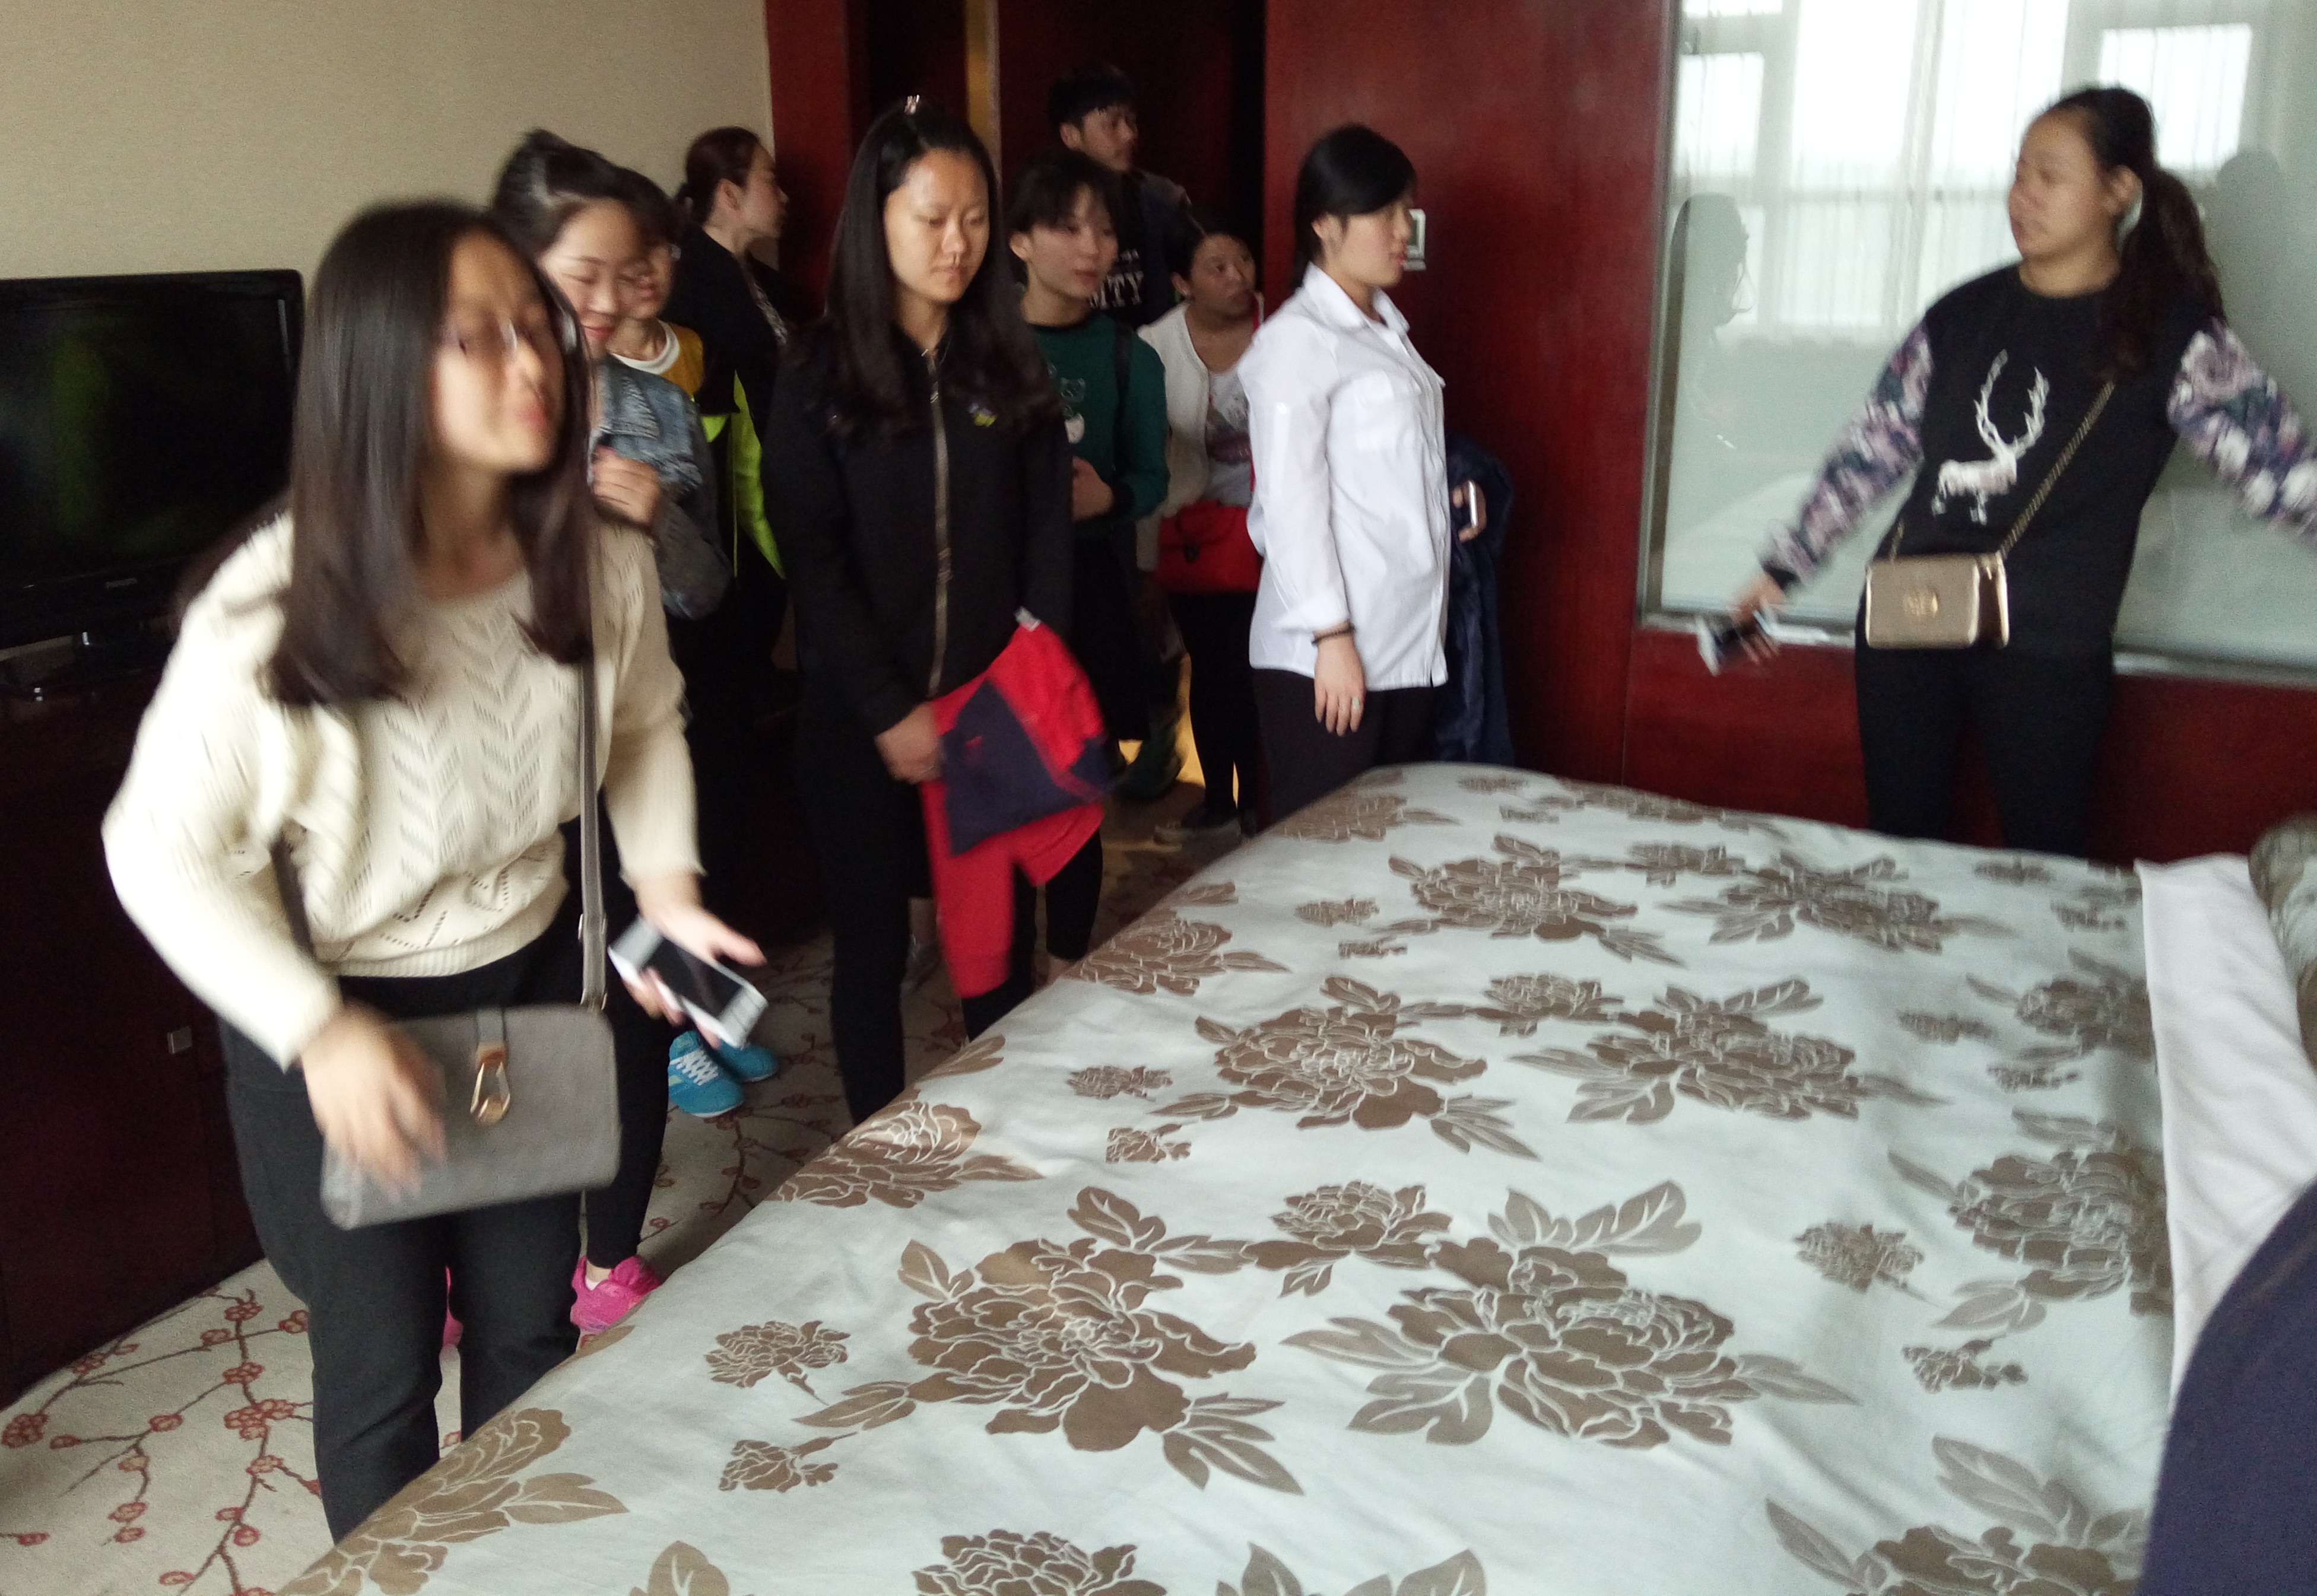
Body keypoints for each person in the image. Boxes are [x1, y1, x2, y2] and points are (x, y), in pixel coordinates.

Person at [100, 202, 760, 1538]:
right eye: (476, 339)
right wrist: (317, 1030)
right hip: (342, 1017)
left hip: (525, 985)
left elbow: (642, 725)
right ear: (381, 374)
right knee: (381, 1374)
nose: (534, 363)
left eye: (535, 327)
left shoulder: (595, 553)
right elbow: (157, 849)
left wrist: (667, 887)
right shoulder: (272, 604)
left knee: (528, 1332)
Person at [1729, 87, 2317, 858]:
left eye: (2050, 175)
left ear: (2118, 191)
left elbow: (2284, 474)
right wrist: (1783, 567)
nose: (2023, 195)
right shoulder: (1961, 315)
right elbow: (1870, 451)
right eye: (2018, 173)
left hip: (2047, 647)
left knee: (2044, 859)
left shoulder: (2172, 335)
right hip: (1909, 620)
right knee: (1897, 852)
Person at [490, 131, 772, 1340]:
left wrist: (657, 518)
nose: (609, 301)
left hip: (632, 755)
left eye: (628, 272)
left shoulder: (657, 406)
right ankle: (473, 1252)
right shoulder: (463, 411)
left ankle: (607, 1254)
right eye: (581, 276)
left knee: (634, 1009)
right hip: (501, 790)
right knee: (505, 1018)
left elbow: (705, 590)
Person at [765, 100, 1093, 1127]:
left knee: (997, 930)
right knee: (872, 945)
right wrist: (886, 707)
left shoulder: (1005, 359)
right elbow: (812, 557)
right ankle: (877, 1146)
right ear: (877, 221)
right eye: (931, 218)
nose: (958, 243)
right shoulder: (817, 371)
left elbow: (1046, 524)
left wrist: (1034, 651)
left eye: (975, 218)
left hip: (993, 698)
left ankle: (1014, 1116)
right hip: (863, 720)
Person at [1242, 125, 1486, 825]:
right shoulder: (1298, 341)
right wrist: (1331, 636)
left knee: (1381, 844)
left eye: (1406, 210)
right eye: (1383, 212)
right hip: (1326, 655)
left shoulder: (1385, 334)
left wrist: (1447, 495)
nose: (1403, 230)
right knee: (1323, 852)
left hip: (1404, 642)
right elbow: (1289, 505)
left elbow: (1377, 468)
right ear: (1323, 224)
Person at [1007, 148, 1175, 799]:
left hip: (1089, 584)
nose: (1092, 248)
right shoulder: (981, 346)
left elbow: (1152, 478)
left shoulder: (1132, 357)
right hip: (996, 586)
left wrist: (1110, 498)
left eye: (1105, 231)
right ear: (1020, 241)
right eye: (1068, 228)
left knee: (1078, 782)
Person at [1141, 208, 1264, 840]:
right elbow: (1142, 457)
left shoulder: (1285, 330)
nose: (1237, 275)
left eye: (1243, 259)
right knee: (1213, 671)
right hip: (1195, 539)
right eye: (1217, 267)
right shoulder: (1155, 346)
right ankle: (1220, 802)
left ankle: (1262, 807)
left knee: (1260, 675)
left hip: (1273, 536)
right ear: (1182, 282)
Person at [1049, 63, 1194, 330]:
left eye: (1131, 121)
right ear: (1070, 135)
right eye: (1112, 124)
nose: (1129, 135)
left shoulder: (1163, 202)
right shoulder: (1046, 207)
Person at [610, 168, 706, 398]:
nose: (644, 267)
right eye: (629, 249)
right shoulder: (581, 370)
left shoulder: (700, 348)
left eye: (654, 246)